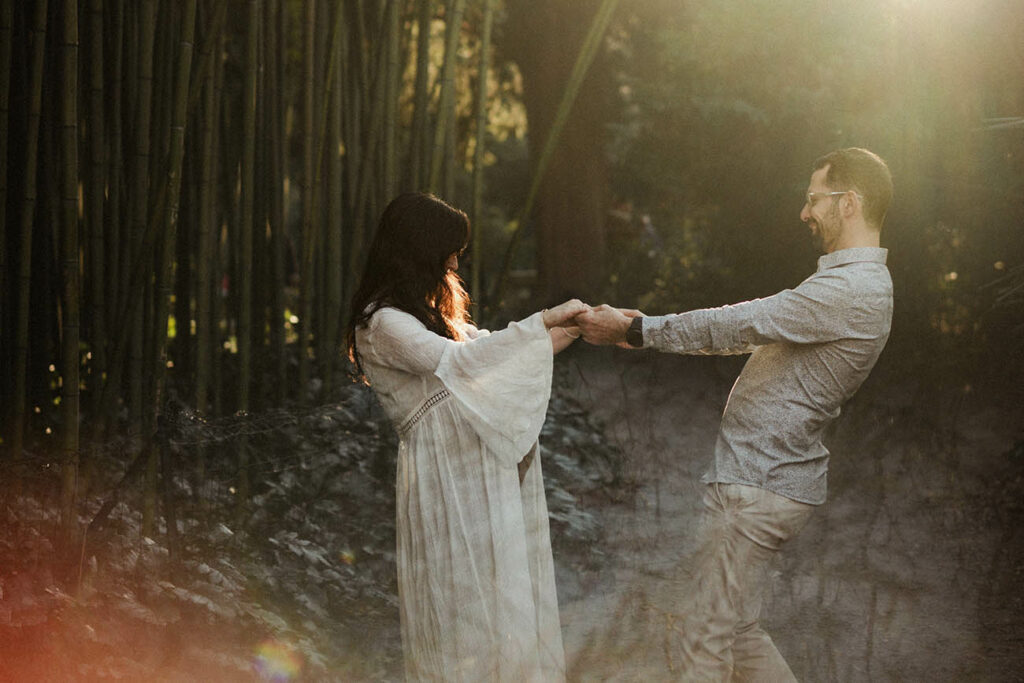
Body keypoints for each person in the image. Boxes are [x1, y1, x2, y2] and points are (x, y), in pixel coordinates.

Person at [576, 148, 894, 680]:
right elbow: (746, 331)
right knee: (738, 632)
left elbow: (740, 325)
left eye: (813, 199)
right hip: (763, 482)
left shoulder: (852, 289)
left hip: (757, 486)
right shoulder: (849, 286)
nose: (804, 213)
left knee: (703, 638)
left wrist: (636, 330)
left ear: (849, 203)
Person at [345, 192, 587, 682]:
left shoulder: (428, 317)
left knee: (500, 592)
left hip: (474, 468)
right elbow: (461, 363)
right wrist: (545, 321)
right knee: (461, 602)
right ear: (420, 249)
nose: (456, 260)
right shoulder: (384, 322)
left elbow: (498, 349)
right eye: (450, 249)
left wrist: (578, 326)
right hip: (443, 477)